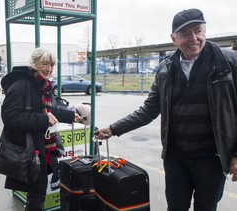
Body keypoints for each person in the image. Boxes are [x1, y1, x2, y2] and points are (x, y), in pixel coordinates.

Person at [95, 8, 237, 211]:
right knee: (175, 208)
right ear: (173, 38)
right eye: (186, 33)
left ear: (205, 30)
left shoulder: (228, 63)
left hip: (211, 159)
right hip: (175, 158)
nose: (194, 38)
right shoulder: (165, 69)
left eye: (198, 30)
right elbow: (148, 110)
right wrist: (113, 128)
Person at [0, 48, 81, 211]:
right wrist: (43, 119)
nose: (49, 68)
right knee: (36, 196)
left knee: (37, 194)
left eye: (51, 64)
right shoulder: (20, 85)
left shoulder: (43, 86)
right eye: (44, 63)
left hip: (43, 149)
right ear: (33, 64)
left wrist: (70, 116)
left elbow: (48, 111)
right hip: (30, 150)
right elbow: (9, 118)